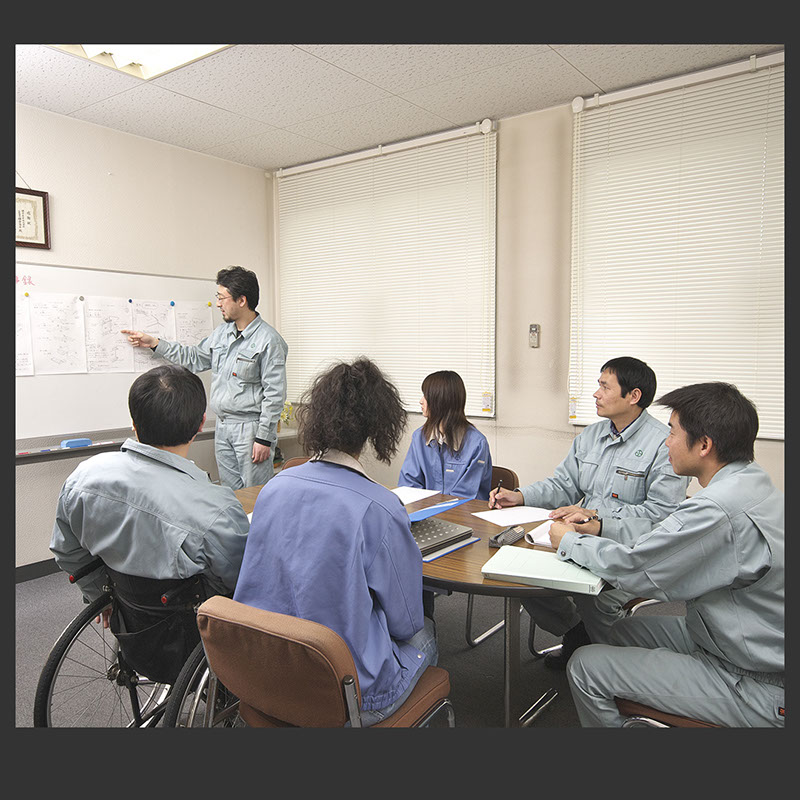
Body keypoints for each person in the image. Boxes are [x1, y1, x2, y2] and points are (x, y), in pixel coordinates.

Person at [551, 382, 783, 727]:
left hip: (754, 680)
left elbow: (636, 569)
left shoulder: (718, 508)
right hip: (736, 638)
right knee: (620, 632)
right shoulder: (752, 481)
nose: (665, 442)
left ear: (704, 445)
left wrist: (568, 541)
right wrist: (599, 528)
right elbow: (662, 539)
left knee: (585, 665)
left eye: (673, 432)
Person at [233, 357, 437, 726]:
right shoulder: (379, 507)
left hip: (265, 675)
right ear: (378, 425)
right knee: (427, 633)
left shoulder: (273, 488)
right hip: (343, 694)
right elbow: (405, 623)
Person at [51, 364, 250, 681]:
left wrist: (99, 596)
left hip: (131, 627)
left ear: (134, 422)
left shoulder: (83, 478)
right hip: (193, 638)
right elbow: (243, 581)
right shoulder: (215, 508)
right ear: (200, 424)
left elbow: (68, 551)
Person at [488, 356, 690, 668]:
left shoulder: (664, 444)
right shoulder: (590, 436)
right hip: (579, 538)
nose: (596, 393)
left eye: (605, 387)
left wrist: (595, 516)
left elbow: (660, 516)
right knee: (522, 578)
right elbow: (563, 485)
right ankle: (576, 632)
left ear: (634, 396)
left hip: (630, 551)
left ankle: (612, 667)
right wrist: (521, 495)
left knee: (597, 599)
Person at [122, 265, 288, 490]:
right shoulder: (222, 333)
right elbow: (193, 358)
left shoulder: (269, 341)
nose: (218, 304)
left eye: (222, 298)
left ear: (241, 300)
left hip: (250, 429)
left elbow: (274, 394)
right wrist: (155, 344)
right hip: (223, 426)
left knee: (255, 493)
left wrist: (264, 438)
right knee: (229, 492)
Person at [397, 370, 493, 500]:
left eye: (426, 396)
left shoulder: (477, 444)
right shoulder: (419, 437)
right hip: (424, 510)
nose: (421, 401)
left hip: (462, 512)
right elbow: (408, 486)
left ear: (440, 400)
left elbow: (465, 497)